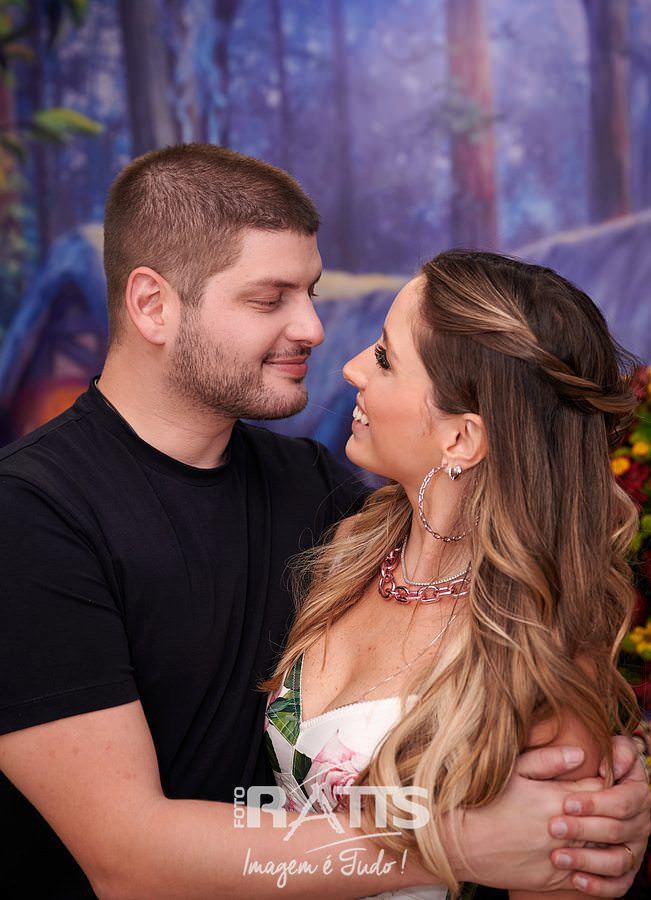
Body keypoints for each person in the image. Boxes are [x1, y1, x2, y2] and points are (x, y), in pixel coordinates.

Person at [0, 145, 647, 899]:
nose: (313, 327)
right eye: (268, 298)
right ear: (152, 305)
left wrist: (596, 806)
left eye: (309, 291)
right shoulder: (31, 514)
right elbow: (128, 859)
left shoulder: (318, 492)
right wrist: (457, 843)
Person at [263, 249, 651, 898]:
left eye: (385, 357)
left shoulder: (541, 668)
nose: (352, 367)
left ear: (462, 439)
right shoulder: (352, 551)